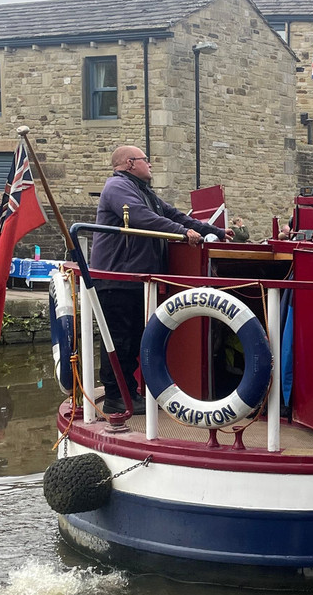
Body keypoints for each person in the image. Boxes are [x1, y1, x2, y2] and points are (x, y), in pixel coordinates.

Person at [91, 145, 230, 415]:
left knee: (133, 338)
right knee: (119, 339)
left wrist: (213, 231)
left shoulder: (144, 192)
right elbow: (143, 219)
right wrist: (183, 233)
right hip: (117, 277)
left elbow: (172, 214)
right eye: (146, 160)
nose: (150, 164)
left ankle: (128, 393)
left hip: (135, 278)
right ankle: (116, 396)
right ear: (130, 163)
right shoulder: (117, 187)